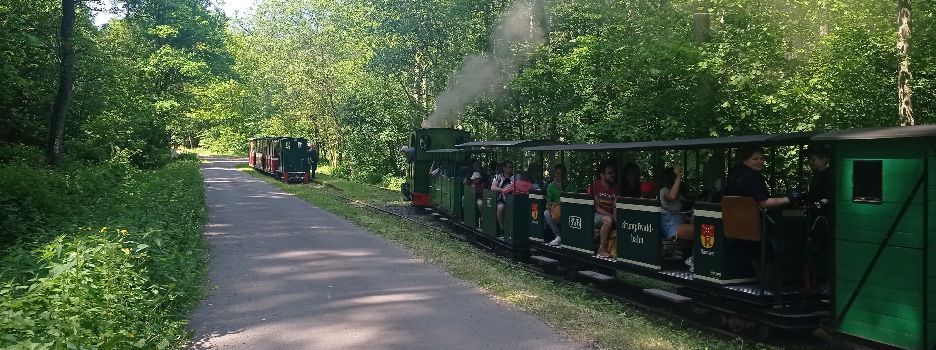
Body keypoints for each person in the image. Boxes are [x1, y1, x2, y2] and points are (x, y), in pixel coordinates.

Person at [725, 147, 803, 208]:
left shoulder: (735, 174)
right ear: (744, 161)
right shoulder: (751, 176)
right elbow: (764, 203)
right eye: (755, 159)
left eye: (762, 158)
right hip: (754, 220)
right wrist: (789, 198)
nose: (760, 162)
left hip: (734, 219)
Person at [588, 163, 619, 259]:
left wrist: (615, 217)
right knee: (608, 220)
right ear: (602, 175)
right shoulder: (595, 186)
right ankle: (601, 249)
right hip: (596, 215)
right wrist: (611, 216)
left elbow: (615, 206)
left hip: (610, 215)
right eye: (609, 173)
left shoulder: (615, 188)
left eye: (613, 173)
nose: (613, 175)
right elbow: (597, 208)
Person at [659, 166, 694, 241]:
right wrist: (678, 176)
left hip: (679, 223)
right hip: (671, 226)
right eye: (675, 178)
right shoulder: (664, 191)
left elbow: (689, 201)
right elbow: (672, 196)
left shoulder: (678, 194)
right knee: (699, 229)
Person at [545, 164, 571, 246]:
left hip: (568, 210)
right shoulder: (550, 186)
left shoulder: (570, 185)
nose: (559, 175)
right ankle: (558, 236)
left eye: (561, 173)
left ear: (565, 174)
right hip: (556, 211)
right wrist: (549, 205)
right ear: (555, 174)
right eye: (557, 173)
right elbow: (549, 200)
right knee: (546, 213)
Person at [491, 160, 515, 230]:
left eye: (512, 167)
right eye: (509, 167)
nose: (511, 169)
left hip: (513, 198)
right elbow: (493, 187)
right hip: (501, 198)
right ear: (504, 168)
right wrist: (503, 190)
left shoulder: (514, 178)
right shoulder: (498, 177)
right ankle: (502, 228)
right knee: (500, 207)